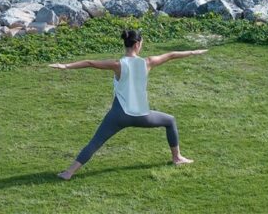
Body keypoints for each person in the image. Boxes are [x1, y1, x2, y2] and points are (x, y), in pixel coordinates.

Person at [48, 28, 208, 180]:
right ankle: (177, 158)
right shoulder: (148, 62)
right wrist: (194, 52)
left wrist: (65, 66)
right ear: (137, 44)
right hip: (142, 116)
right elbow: (172, 54)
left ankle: (68, 172)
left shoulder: (117, 65)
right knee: (170, 120)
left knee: (96, 142)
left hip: (119, 116)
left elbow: (90, 62)